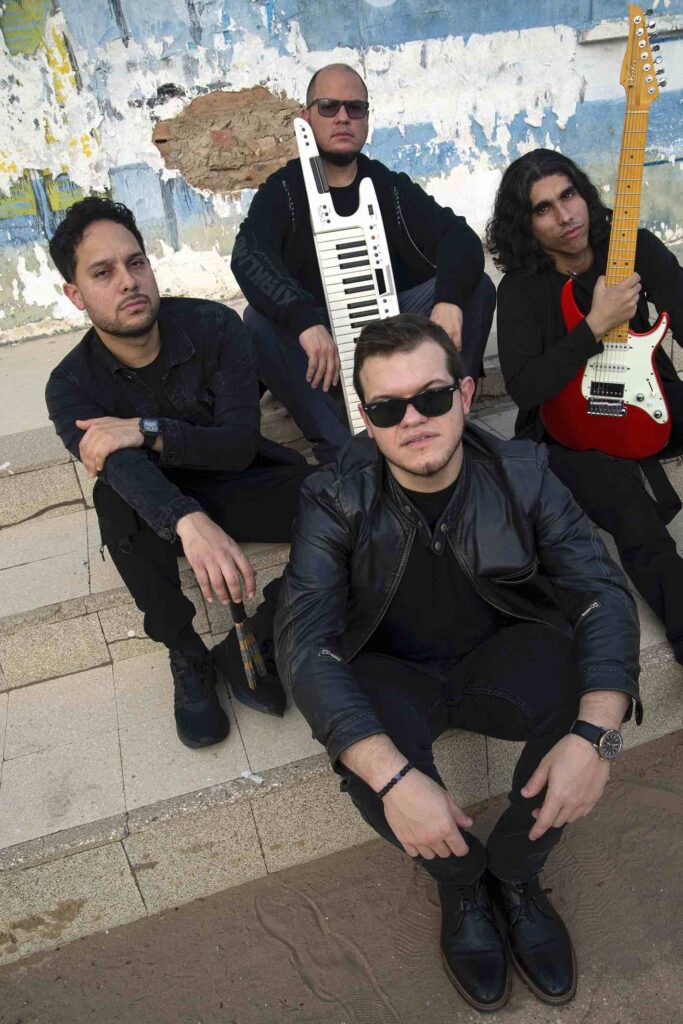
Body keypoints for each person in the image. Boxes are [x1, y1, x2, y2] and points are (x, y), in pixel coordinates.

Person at [274, 312, 641, 1012]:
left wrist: (598, 736)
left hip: (498, 655)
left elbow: (600, 591)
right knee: (357, 741)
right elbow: (305, 643)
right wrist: (392, 779)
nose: (413, 419)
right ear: (366, 419)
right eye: (388, 408)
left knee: (582, 684)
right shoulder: (333, 497)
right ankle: (463, 884)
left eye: (432, 397)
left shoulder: (523, 473)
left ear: (466, 394)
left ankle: (514, 873)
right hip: (392, 671)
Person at [46, 197, 312, 749]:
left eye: (135, 262)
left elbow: (238, 445)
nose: (128, 281)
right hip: (158, 508)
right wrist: (188, 520)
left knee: (343, 501)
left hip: (240, 479)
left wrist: (144, 429)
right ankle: (187, 653)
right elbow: (122, 471)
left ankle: (259, 635)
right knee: (115, 500)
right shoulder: (70, 384)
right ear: (75, 295)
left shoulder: (214, 325)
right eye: (103, 273)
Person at [231, 62, 495, 464]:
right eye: (329, 106)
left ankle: (451, 415)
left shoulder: (386, 185)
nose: (342, 117)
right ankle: (343, 454)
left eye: (355, 108)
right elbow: (248, 255)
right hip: (321, 350)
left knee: (475, 288)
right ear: (306, 117)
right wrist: (303, 319)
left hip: (388, 328)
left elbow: (458, 237)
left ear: (367, 119)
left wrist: (449, 299)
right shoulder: (284, 190)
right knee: (257, 321)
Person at [488, 148, 683, 666]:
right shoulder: (521, 290)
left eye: (568, 195)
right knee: (629, 509)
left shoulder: (631, 246)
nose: (565, 215)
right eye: (543, 208)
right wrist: (595, 325)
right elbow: (525, 386)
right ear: (526, 224)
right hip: (565, 430)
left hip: (647, 396)